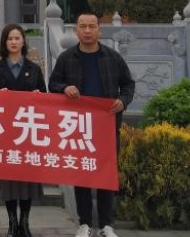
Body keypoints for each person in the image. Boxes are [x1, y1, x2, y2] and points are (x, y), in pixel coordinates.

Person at [48, 12, 135, 237]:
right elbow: (53, 83)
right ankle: (84, 223)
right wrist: (64, 88)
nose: (87, 31)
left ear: (99, 30)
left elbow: (128, 85)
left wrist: (123, 101)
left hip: (107, 126)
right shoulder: (67, 58)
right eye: (83, 26)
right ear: (76, 30)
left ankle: (107, 225)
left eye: (92, 26)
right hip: (79, 128)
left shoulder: (112, 57)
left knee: (107, 175)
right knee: (82, 175)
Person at [0, 23, 46, 237]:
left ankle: (25, 221)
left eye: (17, 38)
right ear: (4, 42)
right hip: (5, 132)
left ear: (23, 41)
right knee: (9, 179)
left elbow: (45, 99)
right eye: (9, 38)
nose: (13, 42)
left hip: (27, 132)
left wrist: (39, 97)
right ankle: (12, 222)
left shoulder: (34, 69)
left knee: (27, 178)